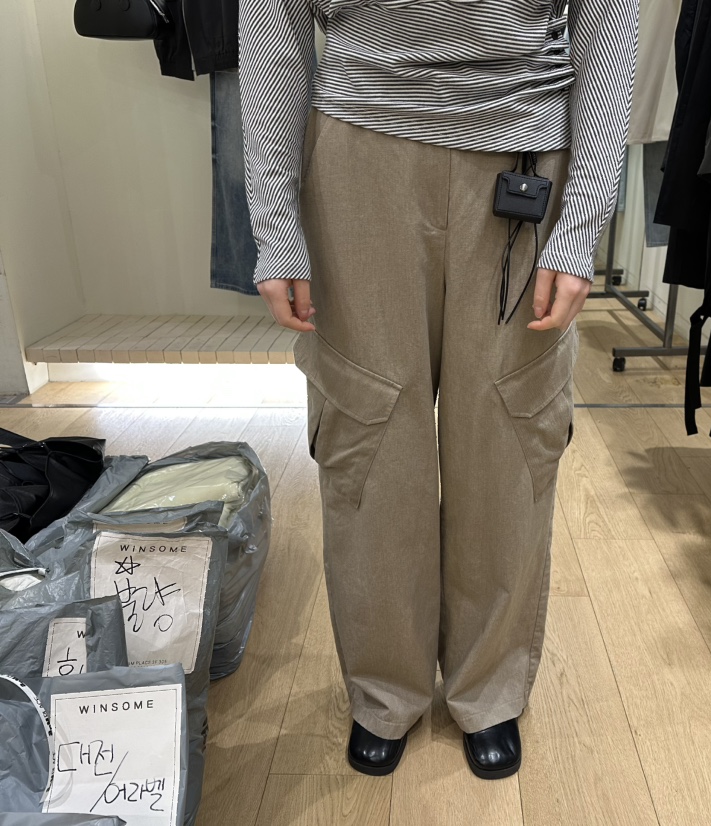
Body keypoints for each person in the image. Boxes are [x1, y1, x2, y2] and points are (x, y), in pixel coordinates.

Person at [238, 0, 639, 780]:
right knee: (368, 423)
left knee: (507, 429)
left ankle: (489, 687)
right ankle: (385, 688)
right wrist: (275, 221)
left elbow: (608, 17)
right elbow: (274, 20)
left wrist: (584, 215)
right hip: (357, 149)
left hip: (522, 146)